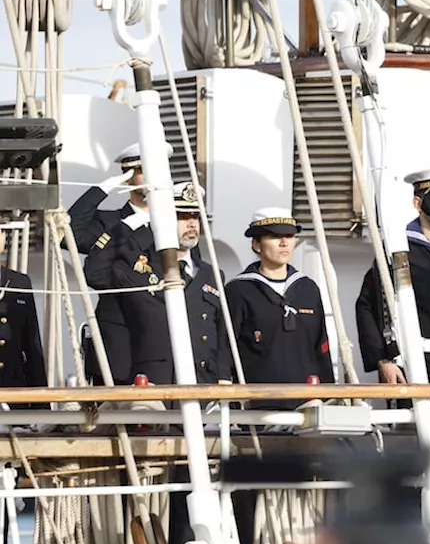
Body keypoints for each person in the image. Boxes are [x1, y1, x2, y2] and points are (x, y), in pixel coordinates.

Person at [84, 181, 231, 385]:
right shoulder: (138, 268)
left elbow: (222, 334)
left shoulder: (211, 274)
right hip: (153, 383)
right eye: (181, 216)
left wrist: (223, 379)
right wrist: (126, 226)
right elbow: (95, 274)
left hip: (201, 384)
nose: (191, 224)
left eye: (195, 216)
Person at [355, 166, 430, 386]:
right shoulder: (397, 248)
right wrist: (384, 359)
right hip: (413, 363)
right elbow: (368, 305)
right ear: (418, 204)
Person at [70, 142, 173, 385]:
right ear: (128, 178)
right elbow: (69, 231)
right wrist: (105, 188)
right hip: (121, 342)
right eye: (142, 170)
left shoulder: (175, 224)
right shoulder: (111, 222)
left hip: (164, 340)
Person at [226, 209, 333, 399]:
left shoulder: (308, 288)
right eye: (274, 236)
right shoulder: (239, 290)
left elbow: (321, 347)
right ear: (256, 244)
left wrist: (329, 395)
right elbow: (226, 349)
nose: (284, 243)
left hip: (307, 400)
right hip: (257, 402)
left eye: (289, 236)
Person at [0, 228, 47, 394]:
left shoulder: (20, 282)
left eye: (0, 232)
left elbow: (32, 344)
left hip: (14, 389)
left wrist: (41, 404)